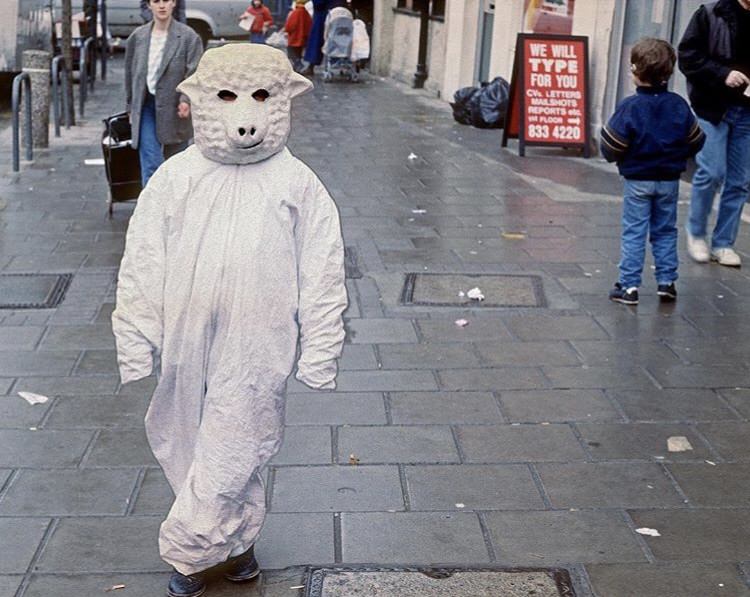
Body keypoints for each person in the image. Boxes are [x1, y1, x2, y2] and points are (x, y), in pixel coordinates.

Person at [112, 44, 347, 597]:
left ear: (283, 100)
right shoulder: (176, 179)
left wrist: (320, 346)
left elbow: (323, 268)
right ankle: (238, 544)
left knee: (240, 433)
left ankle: (191, 552)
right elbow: (144, 259)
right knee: (183, 437)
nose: (246, 118)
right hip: (185, 337)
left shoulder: (298, 184)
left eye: (262, 96)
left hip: (258, 338)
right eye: (228, 97)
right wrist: (136, 335)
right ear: (199, 102)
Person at [601, 38, 705, 305]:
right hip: (670, 180)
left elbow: (612, 144)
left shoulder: (630, 107)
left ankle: (629, 286)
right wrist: (676, 153)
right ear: (668, 73)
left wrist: (618, 158)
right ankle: (667, 283)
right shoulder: (678, 105)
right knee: (665, 231)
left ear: (636, 73)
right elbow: (696, 139)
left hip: (638, 180)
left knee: (635, 231)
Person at [678, 0, 750, 267]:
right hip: (713, 107)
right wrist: (723, 74)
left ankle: (723, 244)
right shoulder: (711, 13)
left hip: (747, 111)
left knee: (740, 181)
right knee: (712, 171)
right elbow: (687, 56)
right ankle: (696, 234)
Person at [125, 0, 202, 186]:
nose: (161, 6)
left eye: (166, 0)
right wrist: (130, 107)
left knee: (176, 167)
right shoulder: (138, 37)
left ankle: (174, 211)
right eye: (156, 1)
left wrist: (186, 100)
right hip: (146, 107)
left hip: (174, 108)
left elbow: (195, 74)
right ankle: (151, 212)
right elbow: (130, 74)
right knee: (151, 163)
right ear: (149, 5)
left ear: (174, 3)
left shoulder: (188, 37)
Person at [300, 0, 328, 75]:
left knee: (316, 40)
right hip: (336, 14)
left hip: (321, 15)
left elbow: (318, 4)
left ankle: (311, 65)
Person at [285, 0, 313, 71]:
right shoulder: (306, 13)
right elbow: (310, 25)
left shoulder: (295, 12)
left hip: (294, 38)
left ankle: (298, 64)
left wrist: (287, 31)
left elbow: (289, 25)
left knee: (291, 52)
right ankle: (298, 65)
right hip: (302, 39)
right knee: (299, 53)